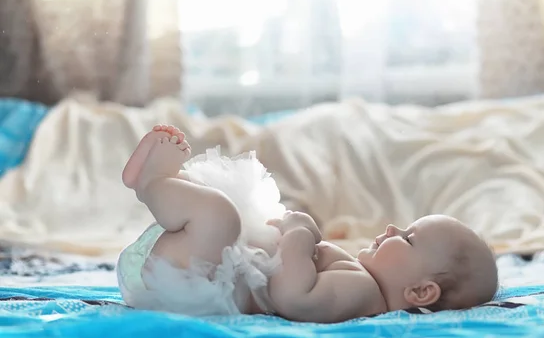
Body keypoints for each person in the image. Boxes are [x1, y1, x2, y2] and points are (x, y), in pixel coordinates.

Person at [116, 125, 499, 323]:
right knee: (225, 213)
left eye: (409, 238)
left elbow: (293, 297)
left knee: (221, 218)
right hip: (191, 264)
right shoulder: (359, 276)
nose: (391, 230)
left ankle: (152, 186)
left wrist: (300, 235)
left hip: (185, 283)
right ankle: (161, 188)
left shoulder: (366, 296)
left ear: (420, 292)